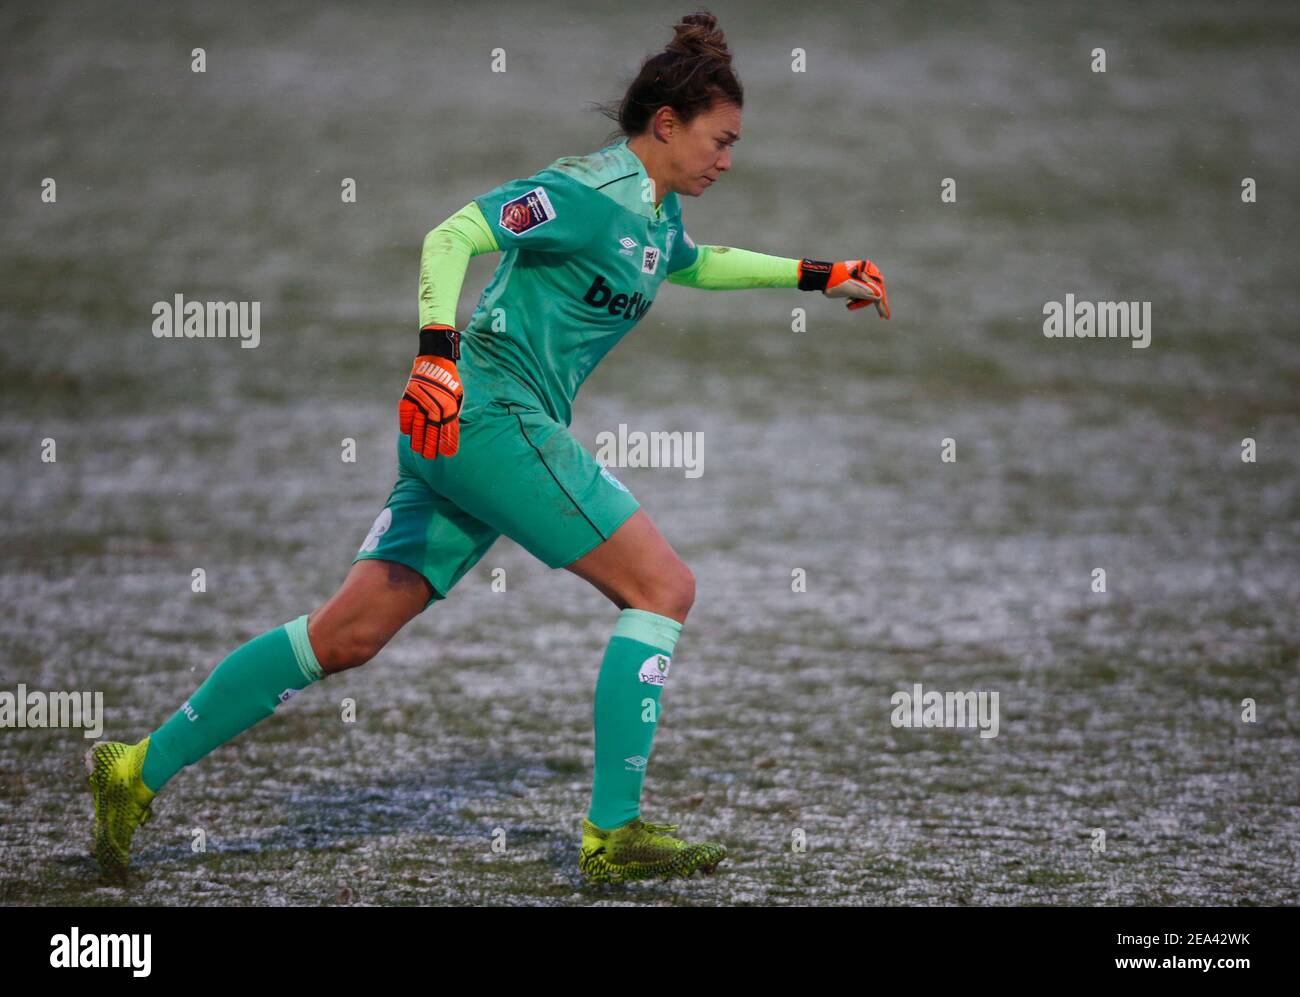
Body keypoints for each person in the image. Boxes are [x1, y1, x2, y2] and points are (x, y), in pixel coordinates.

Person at [85, 9, 890, 885]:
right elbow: (452, 235)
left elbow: (694, 263)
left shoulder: (654, 219)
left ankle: (134, 770)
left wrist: (818, 274)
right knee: (664, 586)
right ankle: (612, 833)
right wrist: (435, 353)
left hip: (462, 439)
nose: (728, 160)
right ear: (667, 124)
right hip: (486, 416)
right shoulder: (585, 193)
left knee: (346, 634)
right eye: (720, 140)